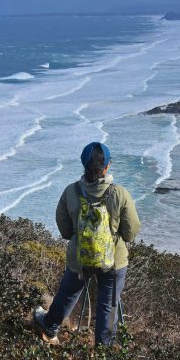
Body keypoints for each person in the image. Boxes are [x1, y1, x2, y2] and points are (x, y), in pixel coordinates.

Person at [33, 141, 141, 346]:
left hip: (79, 258)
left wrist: (82, 238)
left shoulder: (71, 192)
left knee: (69, 291)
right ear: (107, 166)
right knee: (107, 304)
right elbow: (132, 231)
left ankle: (50, 326)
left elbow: (64, 229)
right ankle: (103, 349)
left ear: (83, 165)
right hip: (113, 261)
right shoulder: (119, 193)